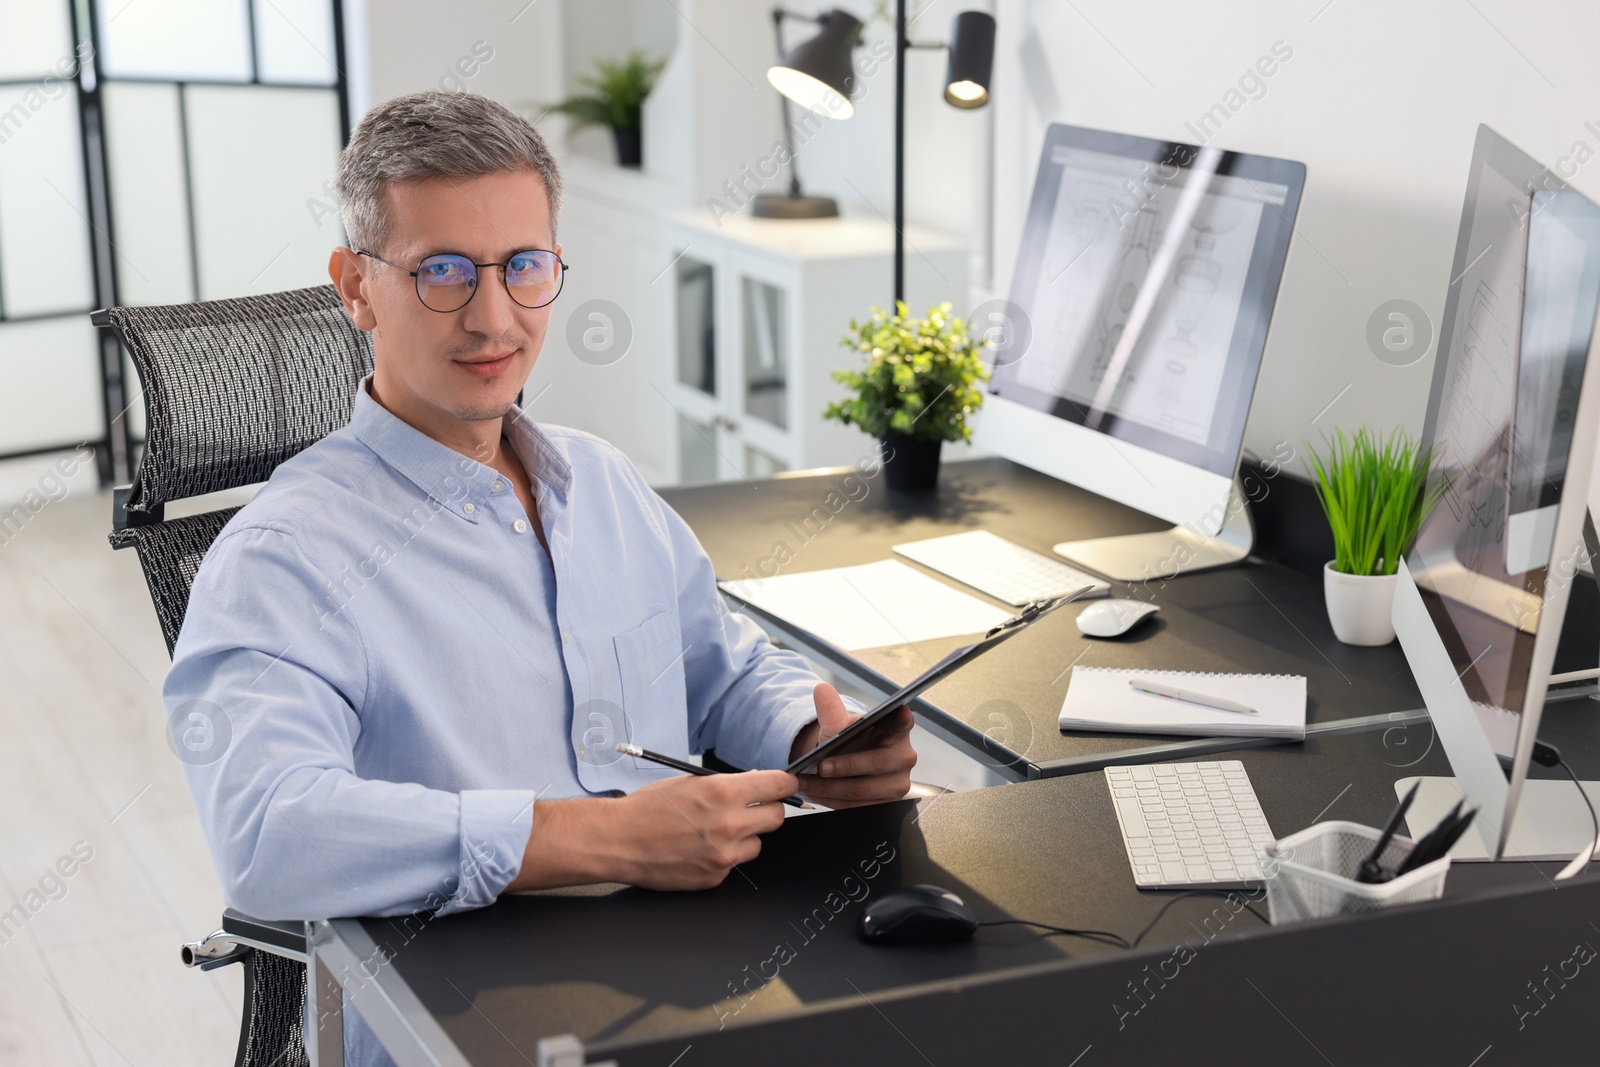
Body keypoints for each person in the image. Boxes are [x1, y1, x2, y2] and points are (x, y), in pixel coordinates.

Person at [162, 91, 917, 1066]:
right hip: (471, 1023)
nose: (493, 317)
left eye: (524, 266)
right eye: (441, 271)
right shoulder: (282, 557)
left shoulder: (599, 479)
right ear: (355, 286)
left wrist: (814, 731)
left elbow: (716, 664)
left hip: (697, 972)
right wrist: (605, 839)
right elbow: (270, 834)